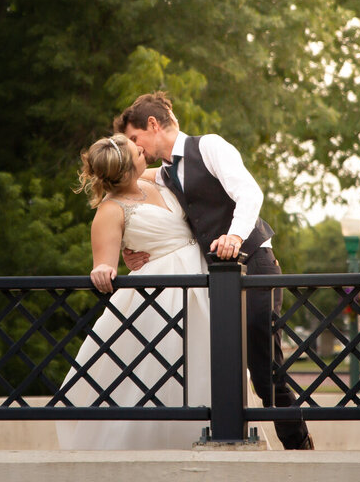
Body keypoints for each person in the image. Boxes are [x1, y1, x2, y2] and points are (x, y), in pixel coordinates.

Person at [115, 92, 313, 450]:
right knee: (221, 360)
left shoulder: (210, 147)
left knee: (262, 361)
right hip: (214, 281)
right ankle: (228, 437)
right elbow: (128, 196)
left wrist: (235, 236)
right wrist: (131, 249)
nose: (135, 147)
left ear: (154, 125)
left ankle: (299, 446)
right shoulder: (162, 175)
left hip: (254, 261)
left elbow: (250, 193)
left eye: (134, 139)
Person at [55, 134, 211, 450]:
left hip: (202, 279)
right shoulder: (111, 210)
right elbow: (104, 263)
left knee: (206, 361)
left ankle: (213, 433)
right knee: (162, 370)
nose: (142, 148)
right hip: (160, 297)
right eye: (135, 151)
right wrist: (104, 269)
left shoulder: (157, 182)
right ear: (126, 169)